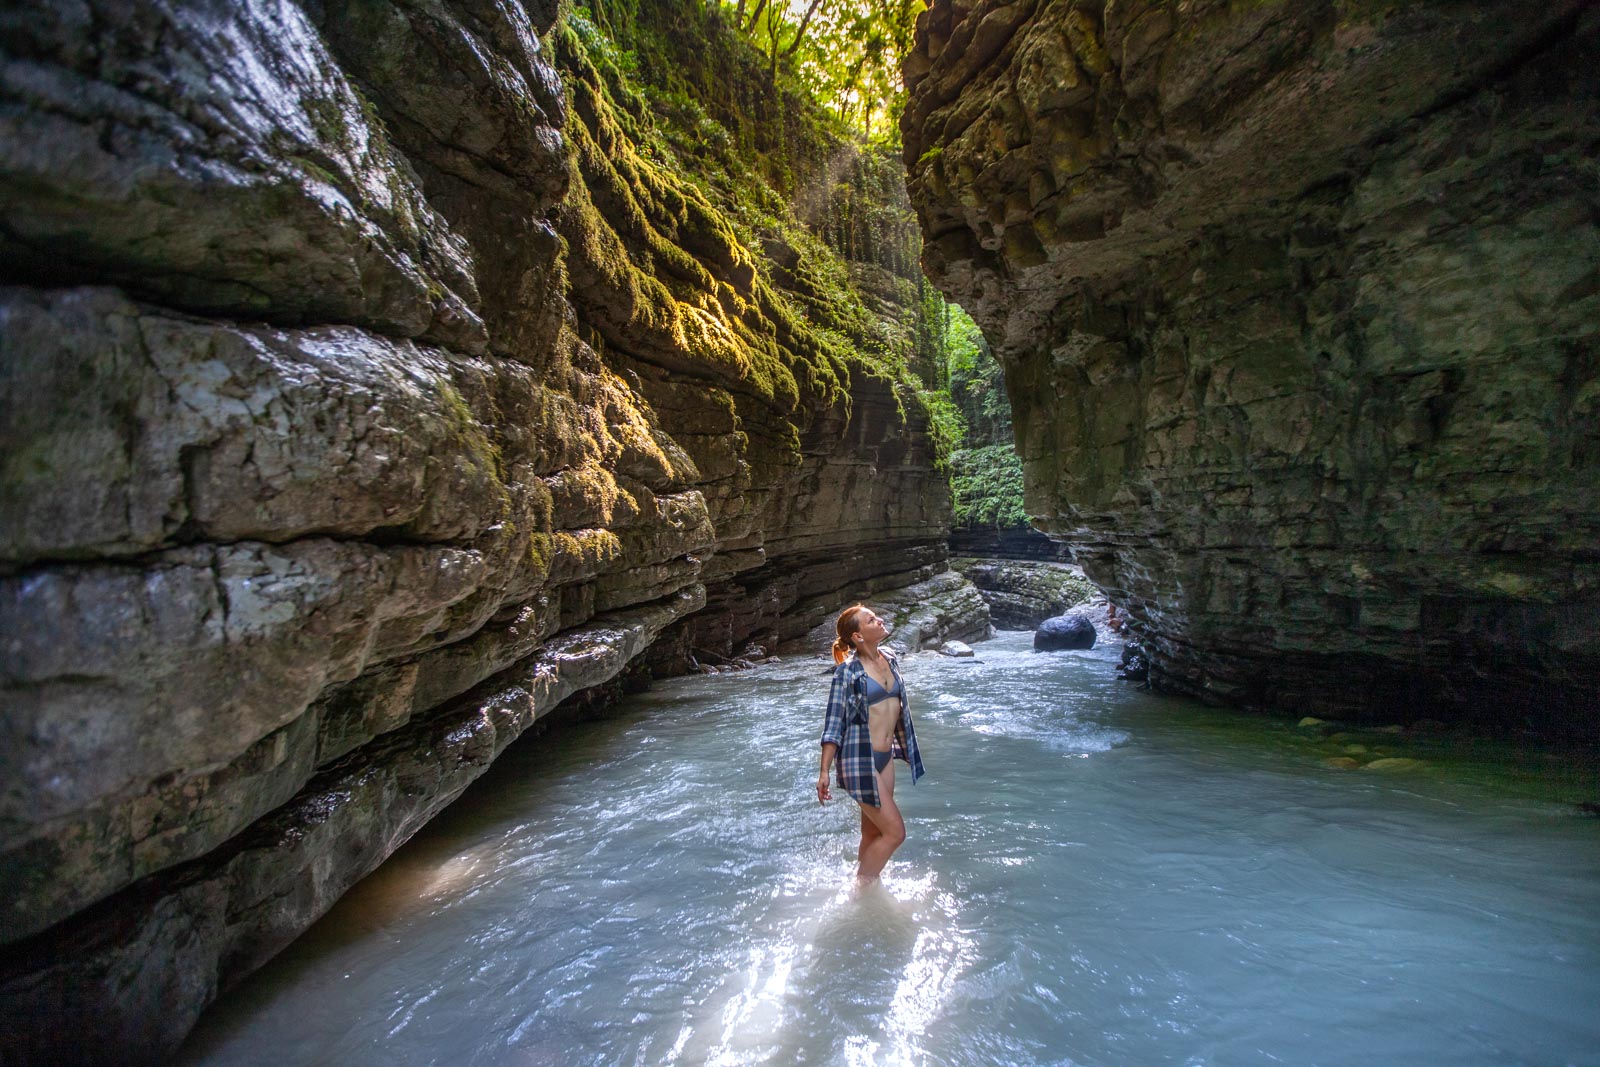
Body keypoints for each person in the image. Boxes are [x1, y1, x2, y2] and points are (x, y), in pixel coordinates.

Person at [816, 604, 926, 884]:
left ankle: (861, 880)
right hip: (859, 762)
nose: (880, 620)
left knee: (873, 832)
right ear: (858, 636)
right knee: (895, 833)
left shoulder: (890, 657)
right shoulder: (847, 673)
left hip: (884, 758)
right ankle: (862, 890)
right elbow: (834, 723)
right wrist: (824, 772)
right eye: (871, 620)